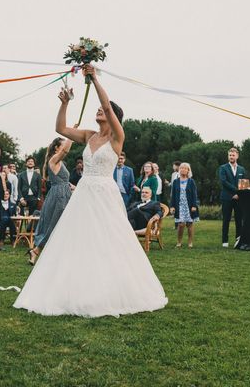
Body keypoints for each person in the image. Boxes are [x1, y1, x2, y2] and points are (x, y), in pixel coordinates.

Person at [14, 64, 167, 317]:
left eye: (103, 110)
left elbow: (106, 105)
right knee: (77, 238)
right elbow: (61, 129)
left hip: (105, 194)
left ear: (113, 116)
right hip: (84, 193)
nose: (99, 110)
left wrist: (94, 78)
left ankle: (109, 289)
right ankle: (76, 287)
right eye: (97, 109)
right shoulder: (89, 136)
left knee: (108, 241)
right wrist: (64, 103)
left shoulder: (117, 137)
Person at [27, 137, 73, 265]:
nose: (64, 148)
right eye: (62, 146)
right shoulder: (54, 159)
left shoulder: (60, 162)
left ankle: (47, 253)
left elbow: (63, 180)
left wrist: (73, 187)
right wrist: (71, 136)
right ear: (57, 148)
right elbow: (65, 152)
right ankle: (36, 250)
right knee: (54, 225)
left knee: (63, 225)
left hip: (64, 193)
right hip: (59, 196)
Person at [218, 147, 245, 247]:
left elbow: (244, 183)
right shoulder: (223, 168)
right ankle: (225, 241)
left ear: (237, 156)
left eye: (233, 155)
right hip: (226, 197)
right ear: (228, 156)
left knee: (239, 219)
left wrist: (239, 194)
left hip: (239, 197)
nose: (231, 157)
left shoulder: (242, 169)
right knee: (226, 219)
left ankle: (239, 239)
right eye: (230, 155)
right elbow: (224, 182)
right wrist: (235, 190)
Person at [170, 162, 199, 248]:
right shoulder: (175, 182)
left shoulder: (191, 181)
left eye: (185, 168)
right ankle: (179, 242)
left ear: (188, 171)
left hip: (189, 206)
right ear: (179, 170)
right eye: (181, 168)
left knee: (190, 224)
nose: (183, 169)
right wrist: (172, 206)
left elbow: (194, 194)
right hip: (179, 206)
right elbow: (173, 195)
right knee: (180, 224)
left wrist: (194, 205)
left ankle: (190, 242)